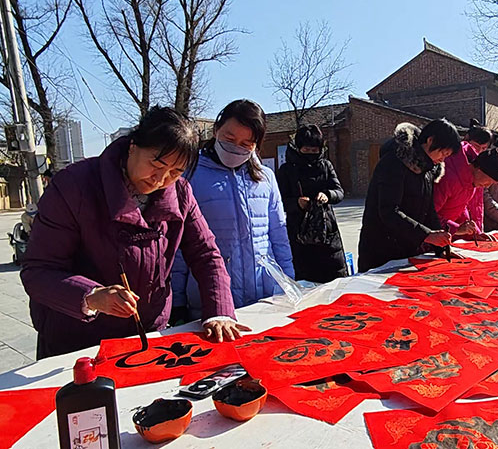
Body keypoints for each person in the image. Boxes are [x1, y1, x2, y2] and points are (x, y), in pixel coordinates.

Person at [21, 106, 247, 359]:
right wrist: (92, 296)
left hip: (148, 335)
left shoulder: (180, 193)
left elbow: (206, 255)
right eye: (156, 164)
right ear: (133, 147)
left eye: (175, 172)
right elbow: (38, 271)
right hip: (77, 340)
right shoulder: (74, 186)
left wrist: (219, 311)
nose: (160, 179)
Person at [172, 99, 294, 317]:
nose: (236, 147)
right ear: (216, 130)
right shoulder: (188, 175)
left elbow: (279, 237)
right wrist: (177, 301)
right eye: (229, 139)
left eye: (247, 143)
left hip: (265, 297)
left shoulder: (265, 178)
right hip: (211, 301)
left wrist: (288, 283)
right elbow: (179, 245)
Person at [358, 119, 460, 272]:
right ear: (430, 140)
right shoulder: (394, 162)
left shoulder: (427, 169)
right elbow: (389, 211)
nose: (442, 159)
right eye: (443, 153)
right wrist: (426, 235)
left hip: (407, 247)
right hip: (381, 248)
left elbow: (429, 210)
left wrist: (441, 247)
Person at [276, 124, 348, 283]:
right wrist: (297, 203)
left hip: (327, 232)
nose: (310, 153)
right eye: (306, 150)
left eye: (314, 150)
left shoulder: (326, 166)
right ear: (298, 148)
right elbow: (278, 202)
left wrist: (328, 195)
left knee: (335, 281)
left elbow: (339, 191)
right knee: (306, 283)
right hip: (299, 234)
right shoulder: (287, 170)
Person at [434, 147, 498, 240]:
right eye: (489, 181)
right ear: (479, 169)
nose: (487, 186)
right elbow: (429, 215)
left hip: (443, 235)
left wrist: (474, 233)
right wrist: (456, 228)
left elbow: (459, 207)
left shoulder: (471, 183)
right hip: (431, 236)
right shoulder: (449, 179)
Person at [457, 119, 495, 231]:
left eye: (484, 148)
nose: (478, 151)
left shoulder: (482, 165)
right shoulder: (460, 163)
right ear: (467, 140)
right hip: (459, 225)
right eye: (476, 146)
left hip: (475, 222)